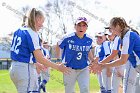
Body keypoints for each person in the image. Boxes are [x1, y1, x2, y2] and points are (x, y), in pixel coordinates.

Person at [9, 8, 70, 93]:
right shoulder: (32, 33)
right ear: (37, 20)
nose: (42, 25)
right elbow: (40, 58)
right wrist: (58, 67)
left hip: (14, 69)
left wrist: (36, 64)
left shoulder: (18, 31)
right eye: (42, 22)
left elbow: (22, 53)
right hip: (25, 70)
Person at [91, 17, 140, 93]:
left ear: (117, 26)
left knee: (129, 88)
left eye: (111, 28)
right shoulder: (124, 36)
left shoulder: (128, 36)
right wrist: (100, 64)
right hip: (136, 65)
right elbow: (114, 55)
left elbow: (122, 60)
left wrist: (103, 65)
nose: (111, 31)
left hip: (135, 65)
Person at [56, 17, 95, 93]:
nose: (81, 28)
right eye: (79, 25)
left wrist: (92, 60)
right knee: (69, 91)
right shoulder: (68, 37)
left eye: (84, 25)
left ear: (87, 27)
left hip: (83, 68)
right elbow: (58, 44)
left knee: (85, 89)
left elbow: (88, 49)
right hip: (69, 69)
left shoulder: (89, 39)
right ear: (75, 26)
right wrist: (58, 59)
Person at [104, 29, 124, 93]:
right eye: (107, 36)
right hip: (119, 64)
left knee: (123, 85)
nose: (108, 37)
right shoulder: (111, 42)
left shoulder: (116, 39)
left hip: (123, 64)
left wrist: (118, 69)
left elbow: (116, 56)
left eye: (110, 35)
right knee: (116, 86)